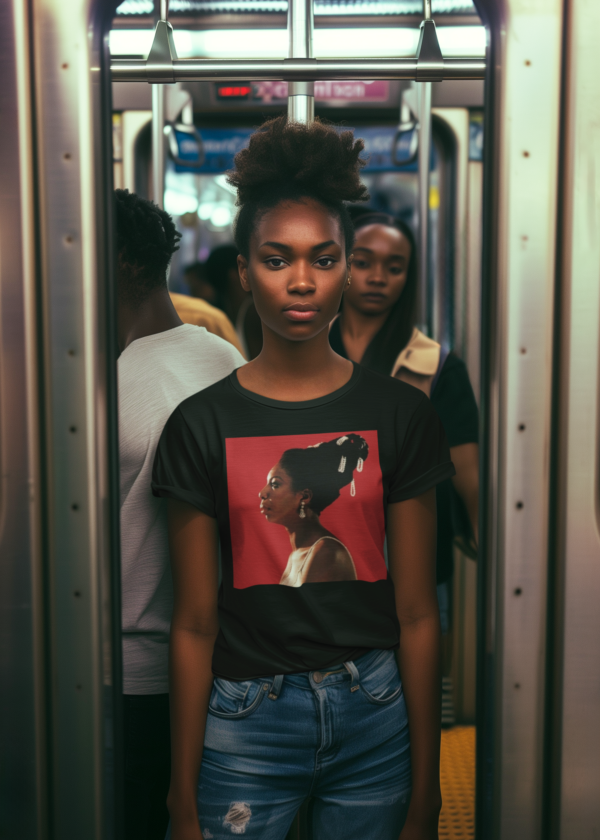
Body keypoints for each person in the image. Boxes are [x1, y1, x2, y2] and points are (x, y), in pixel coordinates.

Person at [151, 117, 455, 840]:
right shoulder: (201, 423)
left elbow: (416, 613)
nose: (300, 281)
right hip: (244, 720)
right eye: (276, 258)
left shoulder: (400, 416)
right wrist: (181, 794)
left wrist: (427, 789)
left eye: (323, 260)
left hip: (376, 713)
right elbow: (194, 623)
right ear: (245, 271)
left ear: (347, 269)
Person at [115, 189, 245, 840]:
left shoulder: (103, 379)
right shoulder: (222, 355)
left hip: (129, 663)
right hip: (215, 653)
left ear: (126, 264)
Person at [329, 211, 479, 725]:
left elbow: (467, 471)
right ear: (343, 265)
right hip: (332, 554)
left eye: (395, 267)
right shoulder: (301, 351)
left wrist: (481, 536)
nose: (377, 277)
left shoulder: (437, 366)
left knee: (415, 706)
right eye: (364, 262)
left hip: (415, 554)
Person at [260, 434, 369, 586]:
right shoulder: (298, 554)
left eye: (275, 484)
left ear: (304, 496)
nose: (262, 493)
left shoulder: (325, 552)